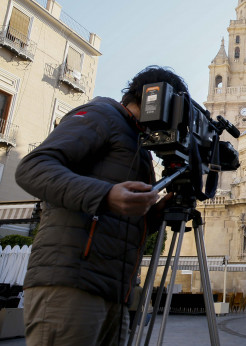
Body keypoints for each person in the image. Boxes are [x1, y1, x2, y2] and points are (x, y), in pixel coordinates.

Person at [15, 66, 183, 345]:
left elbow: (120, 222)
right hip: (72, 286)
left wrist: (155, 213)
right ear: (158, 99)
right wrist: (106, 195)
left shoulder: (137, 144)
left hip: (116, 293)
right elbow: (32, 169)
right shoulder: (102, 115)